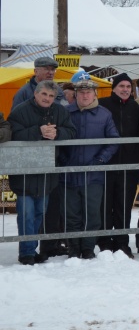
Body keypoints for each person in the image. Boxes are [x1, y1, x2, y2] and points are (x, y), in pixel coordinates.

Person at [7, 80, 76, 265]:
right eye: (44, 94)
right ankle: (27, 252)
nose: (47, 98)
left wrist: (58, 133)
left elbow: (71, 132)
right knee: (26, 214)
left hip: (47, 172)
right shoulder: (20, 111)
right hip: (24, 171)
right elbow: (12, 135)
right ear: (36, 94)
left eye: (51, 96)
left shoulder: (60, 111)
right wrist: (38, 132)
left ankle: (31, 248)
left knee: (39, 212)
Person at [62, 79, 119, 259]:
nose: (85, 95)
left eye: (88, 92)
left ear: (95, 94)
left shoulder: (104, 114)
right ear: (76, 94)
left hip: (93, 175)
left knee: (92, 214)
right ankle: (73, 247)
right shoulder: (65, 113)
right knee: (71, 214)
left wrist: (100, 159)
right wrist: (63, 161)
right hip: (68, 174)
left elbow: (113, 140)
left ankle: (88, 248)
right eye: (81, 92)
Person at [97, 73, 139, 258]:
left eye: (127, 87)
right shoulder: (103, 104)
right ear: (113, 88)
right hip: (107, 163)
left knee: (124, 206)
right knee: (106, 206)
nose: (125, 90)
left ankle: (122, 243)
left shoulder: (136, 107)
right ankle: (105, 243)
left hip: (129, 165)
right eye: (121, 86)